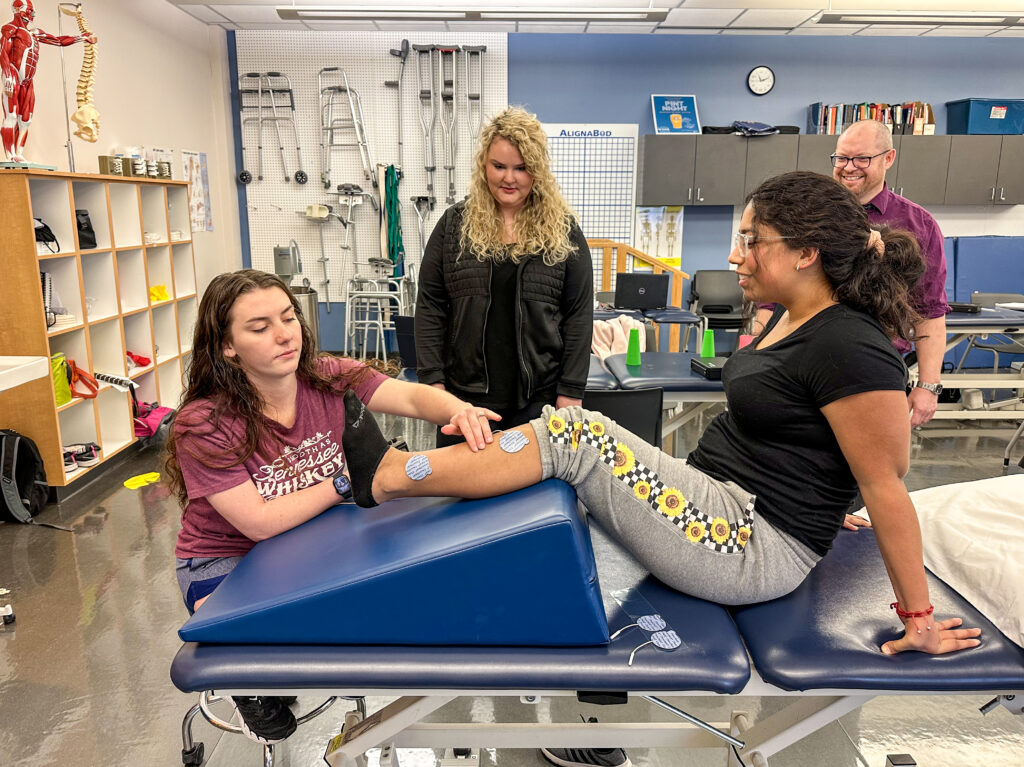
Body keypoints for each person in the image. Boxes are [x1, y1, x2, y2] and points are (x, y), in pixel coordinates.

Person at [343, 172, 982, 666]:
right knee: (569, 458)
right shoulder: (791, 315)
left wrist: (916, 617)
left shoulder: (851, 343)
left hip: (748, 544)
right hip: (721, 503)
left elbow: (888, 483)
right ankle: (402, 476)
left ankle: (394, 474)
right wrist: (824, 490)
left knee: (575, 435)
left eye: (753, 241)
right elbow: (819, 434)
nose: (738, 257)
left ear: (806, 252)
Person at [166, 269, 501, 745]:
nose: (285, 335)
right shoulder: (203, 423)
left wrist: (456, 410)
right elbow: (259, 522)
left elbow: (408, 393)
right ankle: (248, 685)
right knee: (259, 645)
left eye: (288, 318)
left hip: (317, 534)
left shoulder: (326, 377)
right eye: (259, 328)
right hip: (226, 559)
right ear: (227, 346)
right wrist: (349, 480)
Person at [415, 106, 593, 447]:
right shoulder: (454, 226)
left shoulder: (564, 232)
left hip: (538, 401)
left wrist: (570, 393)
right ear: (485, 166)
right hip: (464, 402)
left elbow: (579, 315)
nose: (508, 178)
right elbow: (431, 307)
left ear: (537, 172)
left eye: (521, 168)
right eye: (499, 166)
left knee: (536, 499)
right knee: (460, 496)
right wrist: (433, 385)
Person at [754, 119, 949, 428]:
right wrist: (757, 345)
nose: (848, 167)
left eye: (861, 159)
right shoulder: (807, 211)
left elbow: (929, 311)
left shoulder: (919, 226)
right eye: (841, 158)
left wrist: (928, 386)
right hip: (798, 363)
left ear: (889, 158)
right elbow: (773, 287)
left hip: (873, 371)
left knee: (869, 469)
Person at [1, 0, 96, 162]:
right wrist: (8, 76)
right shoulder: (10, 29)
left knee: (25, 120)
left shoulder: (35, 33)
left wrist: (82, 38)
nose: (32, 15)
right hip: (14, 76)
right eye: (30, 10)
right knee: (10, 116)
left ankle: (18, 153)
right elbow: (3, 52)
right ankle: (9, 155)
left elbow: (58, 40)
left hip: (28, 82)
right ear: (19, 10)